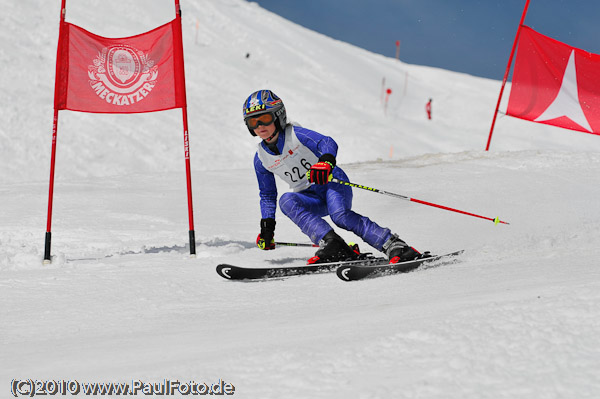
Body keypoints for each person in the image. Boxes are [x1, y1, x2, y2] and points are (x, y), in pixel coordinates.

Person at [243, 89, 425, 264]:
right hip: (310, 197)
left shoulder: (295, 135)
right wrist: (267, 228)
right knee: (286, 200)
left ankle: (394, 245)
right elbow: (267, 195)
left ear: (278, 116)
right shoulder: (261, 158)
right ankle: (333, 245)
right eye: (253, 122)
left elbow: (326, 142)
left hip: (332, 183)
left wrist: (325, 162)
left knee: (340, 216)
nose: (260, 126)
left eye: (265, 119)